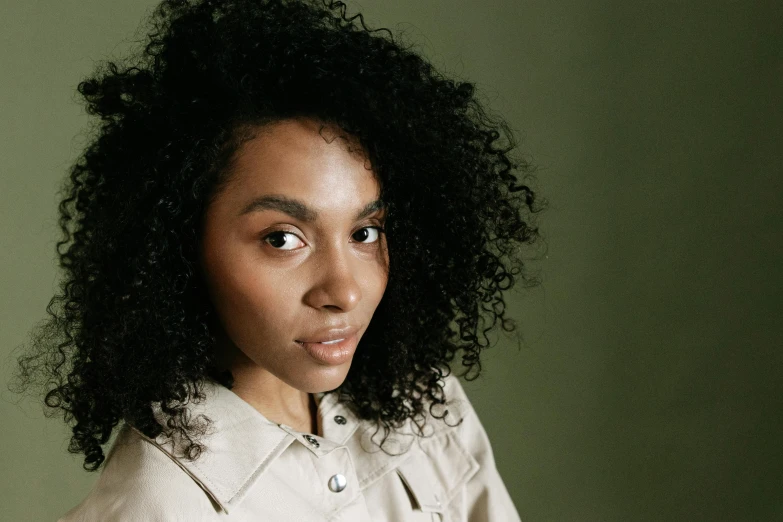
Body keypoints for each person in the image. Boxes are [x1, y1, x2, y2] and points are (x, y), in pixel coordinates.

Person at [12, 0, 543, 520]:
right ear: (179, 246)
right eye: (283, 240)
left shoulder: (426, 406)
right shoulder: (160, 507)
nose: (344, 291)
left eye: (364, 231)